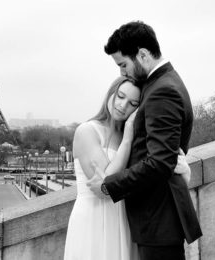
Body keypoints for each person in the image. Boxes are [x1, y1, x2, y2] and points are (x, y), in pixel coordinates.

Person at [89, 21, 202, 260]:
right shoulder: (160, 83)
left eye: (123, 64)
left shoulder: (162, 90)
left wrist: (109, 185)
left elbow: (160, 162)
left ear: (142, 54)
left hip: (158, 218)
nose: (121, 73)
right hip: (158, 218)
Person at [64, 76, 191, 260]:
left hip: (125, 218)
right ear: (111, 92)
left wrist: (184, 169)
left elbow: (156, 168)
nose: (123, 106)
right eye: (120, 96)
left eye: (132, 103)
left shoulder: (136, 136)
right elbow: (106, 186)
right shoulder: (87, 131)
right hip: (93, 218)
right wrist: (128, 137)